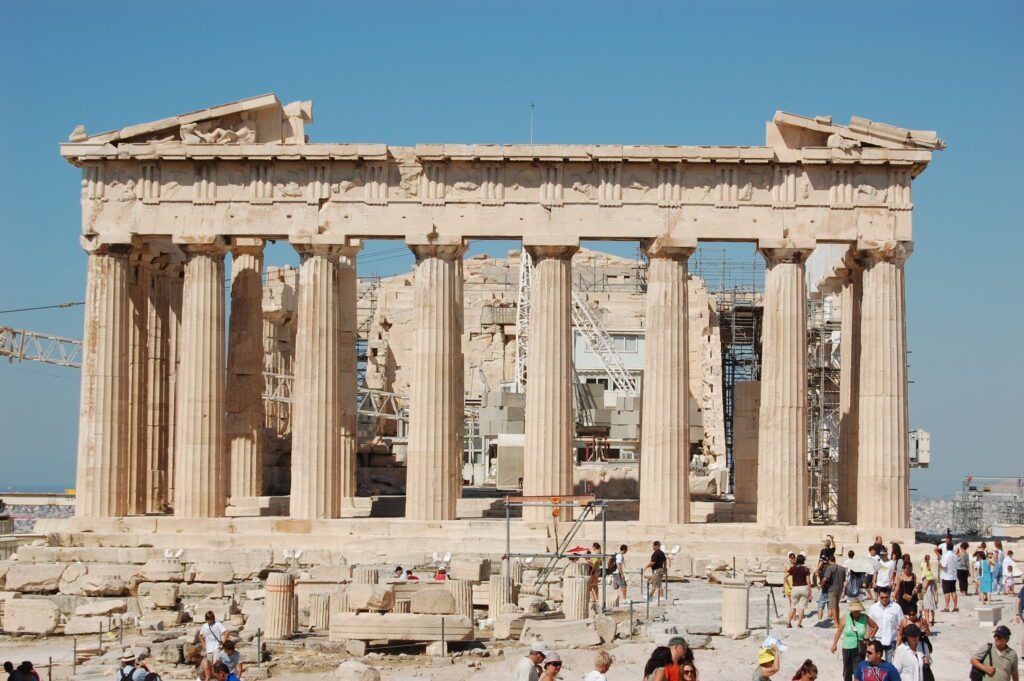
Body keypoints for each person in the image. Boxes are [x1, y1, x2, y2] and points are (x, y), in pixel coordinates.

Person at [832, 599, 878, 681]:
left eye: (858, 610)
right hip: (847, 647)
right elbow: (839, 631)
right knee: (847, 671)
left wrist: (869, 637)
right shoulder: (845, 617)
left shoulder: (864, 617)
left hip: (859, 648)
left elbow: (875, 627)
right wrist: (834, 644)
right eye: (854, 610)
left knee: (858, 671)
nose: (856, 612)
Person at [868, 589, 904, 663]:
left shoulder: (896, 607)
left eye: (886, 597)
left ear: (889, 596)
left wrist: (898, 643)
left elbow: (901, 625)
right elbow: (868, 624)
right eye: (882, 597)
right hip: (877, 640)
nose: (884, 599)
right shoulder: (873, 608)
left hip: (891, 640)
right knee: (875, 663)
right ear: (878, 596)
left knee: (889, 664)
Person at [198, 611, 228, 681]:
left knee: (216, 664)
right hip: (209, 649)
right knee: (209, 665)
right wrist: (204, 645)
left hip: (216, 647)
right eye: (208, 619)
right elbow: (200, 636)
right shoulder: (205, 626)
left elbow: (226, 633)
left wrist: (223, 643)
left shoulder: (218, 624)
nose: (210, 621)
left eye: (211, 619)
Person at [822, 554, 847, 626]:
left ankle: (836, 623)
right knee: (837, 605)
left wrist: (822, 585)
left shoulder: (829, 568)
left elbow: (825, 578)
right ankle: (838, 621)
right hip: (840, 589)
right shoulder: (842, 568)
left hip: (832, 589)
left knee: (832, 606)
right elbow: (844, 581)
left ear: (829, 561)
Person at [788, 554, 811, 628]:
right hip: (804, 588)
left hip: (795, 587)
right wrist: (810, 590)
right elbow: (808, 581)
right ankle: (799, 624)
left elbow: (785, 576)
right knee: (802, 607)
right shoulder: (806, 569)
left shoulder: (793, 568)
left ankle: (789, 623)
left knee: (792, 606)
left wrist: (788, 585)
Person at [938, 542, 958, 612]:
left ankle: (947, 607)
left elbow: (944, 565)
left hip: (946, 576)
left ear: (946, 548)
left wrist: (939, 565)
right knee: (953, 591)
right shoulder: (955, 556)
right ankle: (955, 606)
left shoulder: (946, 556)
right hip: (953, 575)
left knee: (946, 592)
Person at [919, 553, 937, 626]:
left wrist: (922, 592)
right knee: (931, 608)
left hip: (927, 592)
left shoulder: (924, 568)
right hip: (931, 591)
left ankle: (927, 621)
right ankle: (932, 619)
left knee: (926, 609)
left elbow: (924, 586)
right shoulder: (930, 570)